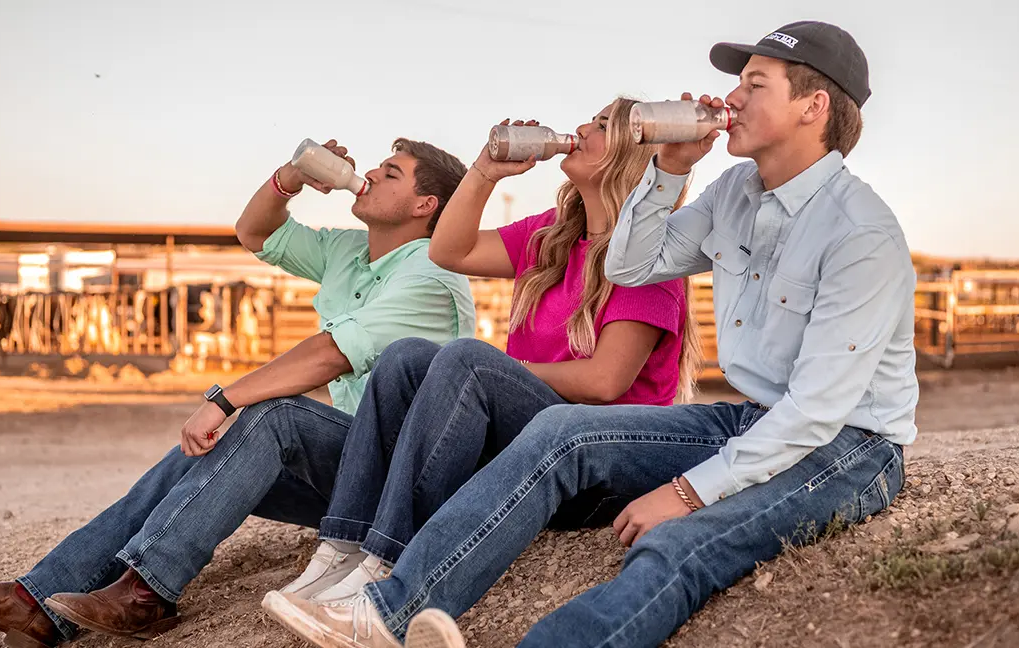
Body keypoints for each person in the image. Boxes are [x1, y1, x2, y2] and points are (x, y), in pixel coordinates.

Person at [257, 20, 918, 648]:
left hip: (848, 444)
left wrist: (688, 491)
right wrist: (672, 171)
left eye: (755, 83)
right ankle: (389, 610)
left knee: (675, 545)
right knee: (558, 431)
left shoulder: (859, 232)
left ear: (814, 107)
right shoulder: (739, 191)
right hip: (753, 418)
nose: (732, 97)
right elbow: (634, 263)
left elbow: (818, 411)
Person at [0, 138, 476, 647]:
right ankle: (35, 604)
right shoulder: (349, 251)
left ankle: (146, 593)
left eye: (391, 173)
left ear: (424, 204)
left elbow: (331, 353)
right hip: (344, 471)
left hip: (397, 479)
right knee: (196, 457)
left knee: (277, 415)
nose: (372, 175)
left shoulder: (433, 272)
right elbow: (254, 232)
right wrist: (290, 178)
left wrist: (225, 397)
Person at [261, 97, 702, 633]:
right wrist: (485, 172)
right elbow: (448, 251)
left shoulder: (653, 255)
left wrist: (503, 375)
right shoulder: (553, 236)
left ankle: (387, 565)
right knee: (404, 359)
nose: (582, 126)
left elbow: (605, 381)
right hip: (531, 439)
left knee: (468, 360)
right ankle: (344, 550)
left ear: (635, 151)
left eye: (604, 124)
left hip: (597, 465)